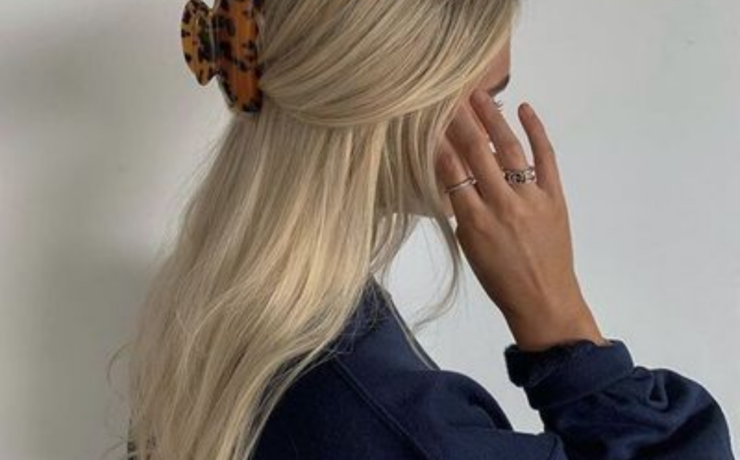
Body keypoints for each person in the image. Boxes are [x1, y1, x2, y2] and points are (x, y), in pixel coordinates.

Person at [118, 1, 736, 459]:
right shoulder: (388, 417)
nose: (495, 134)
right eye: (486, 101)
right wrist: (560, 319)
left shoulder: (228, 313)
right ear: (389, 109)